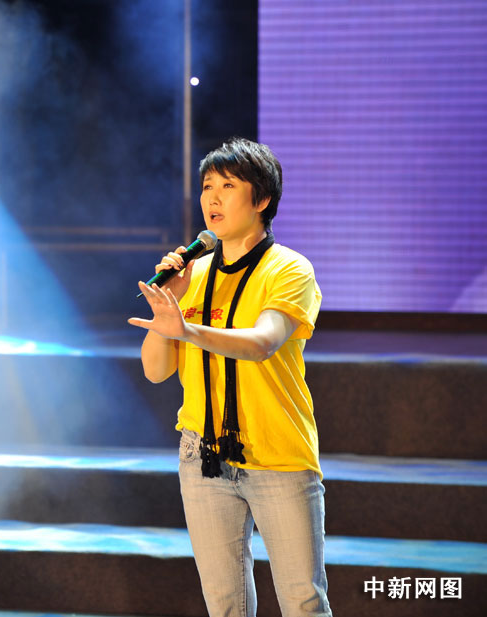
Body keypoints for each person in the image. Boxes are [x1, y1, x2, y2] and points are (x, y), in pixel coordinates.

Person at [128, 137, 331, 617]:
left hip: (277, 453)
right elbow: (156, 371)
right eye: (207, 187)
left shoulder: (289, 269)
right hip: (202, 454)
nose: (212, 198)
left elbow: (263, 342)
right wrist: (170, 310)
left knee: (303, 601)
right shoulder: (193, 273)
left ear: (261, 200)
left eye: (228, 186)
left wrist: (187, 329)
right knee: (224, 604)